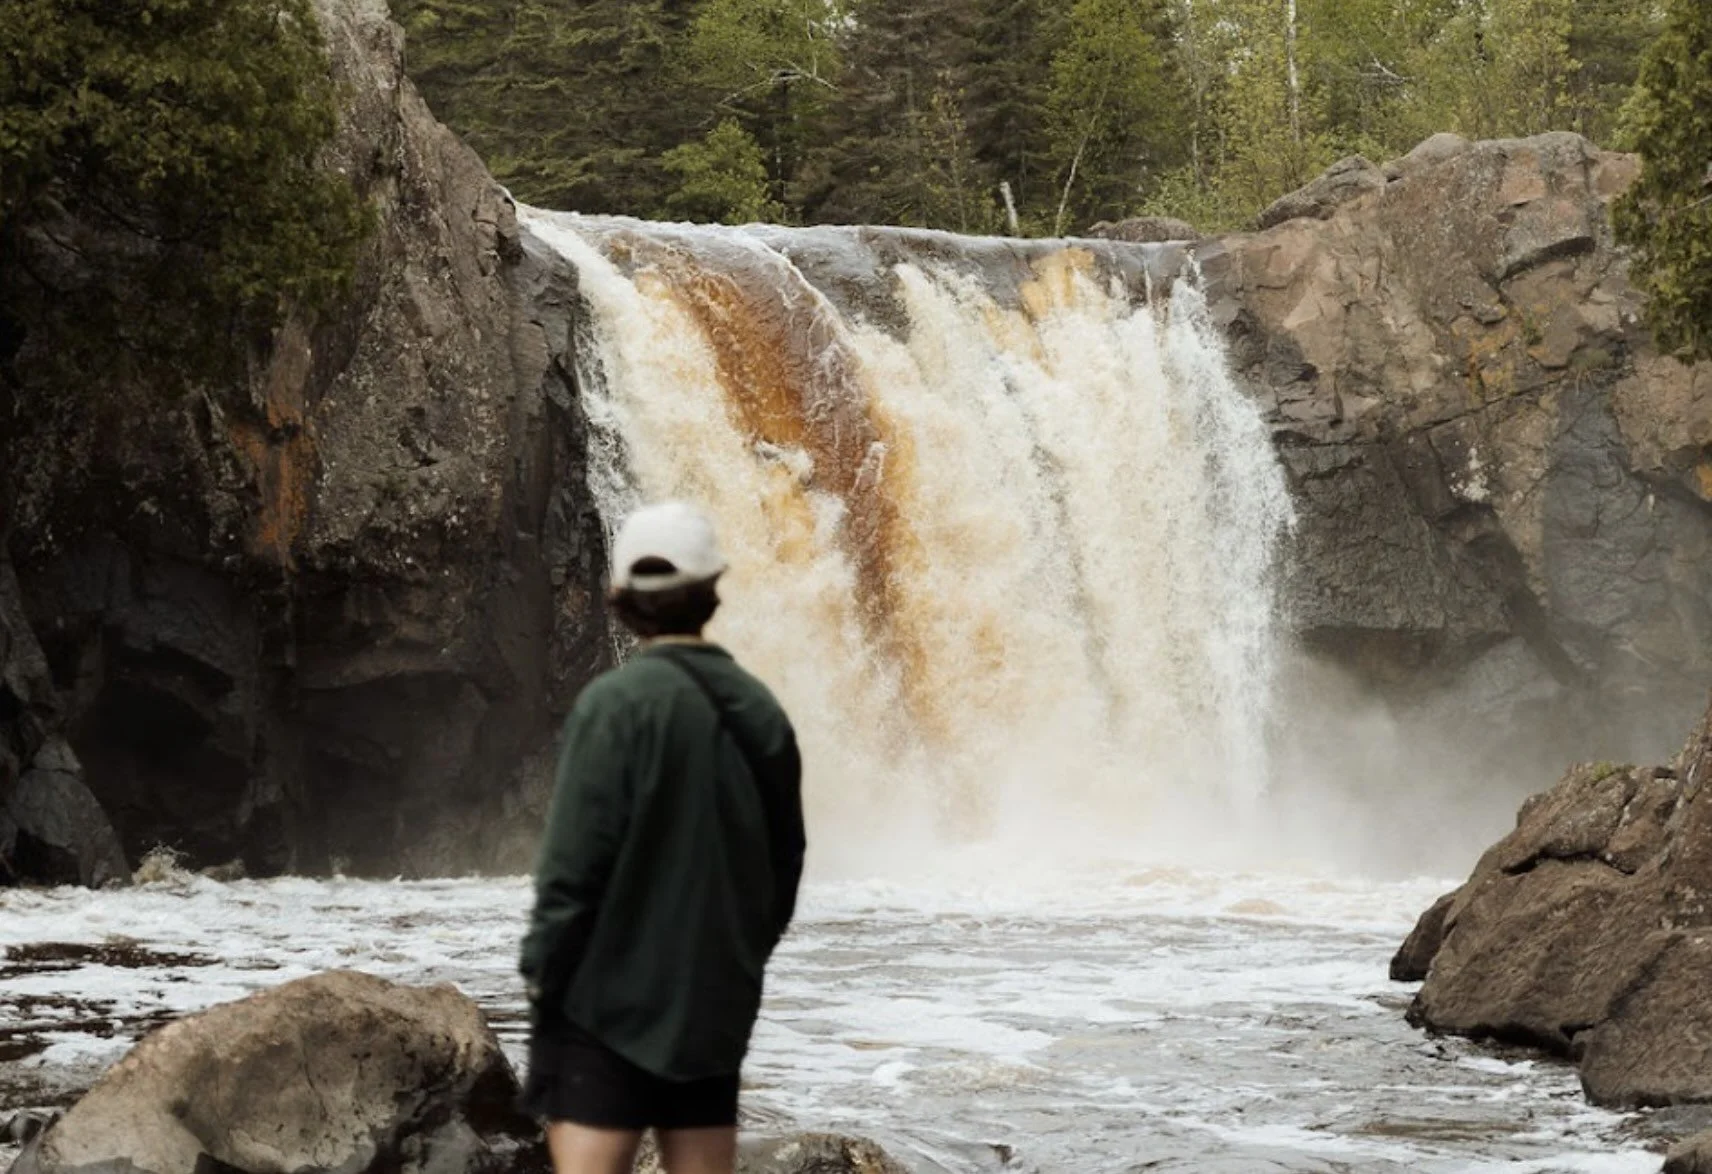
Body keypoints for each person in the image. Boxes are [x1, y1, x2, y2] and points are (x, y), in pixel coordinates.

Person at [519, 501, 806, 1174]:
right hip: (712, 1003)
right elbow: (784, 866)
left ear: (619, 599)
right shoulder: (761, 710)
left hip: (605, 1007)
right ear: (711, 591)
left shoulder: (614, 705)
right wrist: (736, 963)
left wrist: (544, 978)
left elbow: (571, 870)